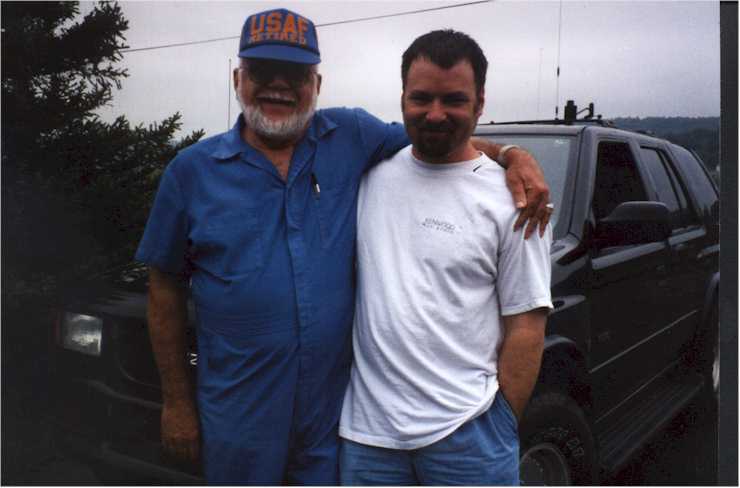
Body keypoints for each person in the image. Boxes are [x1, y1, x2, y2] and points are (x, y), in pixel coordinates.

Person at [136, 8, 550, 485]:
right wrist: (177, 403)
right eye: (263, 71)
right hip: (238, 419)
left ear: (317, 83)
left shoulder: (351, 137)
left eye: (295, 74)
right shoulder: (191, 172)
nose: (278, 86)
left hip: (330, 427)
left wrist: (514, 155)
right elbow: (163, 289)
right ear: (238, 79)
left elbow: (438, 137)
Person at [338, 29, 553, 486]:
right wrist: (511, 150)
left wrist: (499, 422)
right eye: (421, 98)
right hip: (367, 442)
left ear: (480, 103)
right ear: (402, 98)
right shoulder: (366, 176)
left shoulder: (516, 199)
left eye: (454, 100)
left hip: (469, 437)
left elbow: (527, 325)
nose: (435, 114)